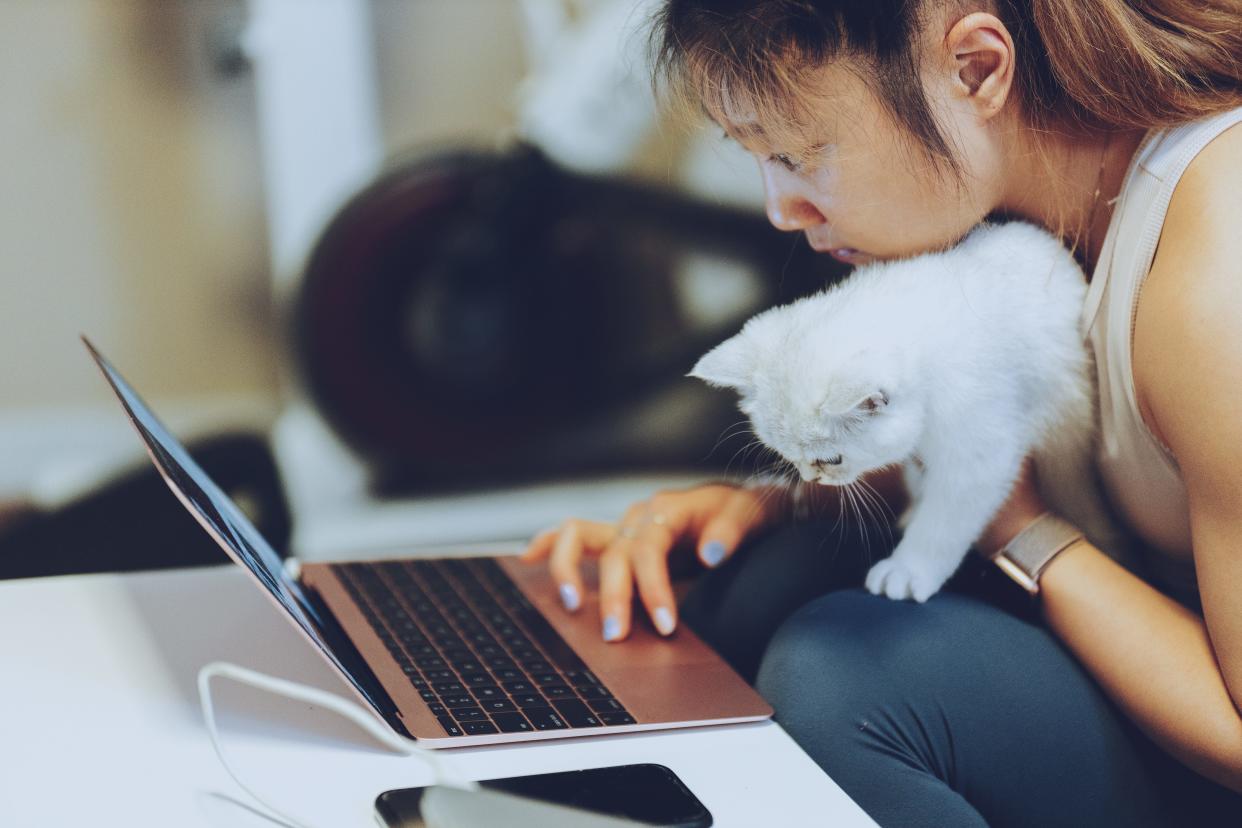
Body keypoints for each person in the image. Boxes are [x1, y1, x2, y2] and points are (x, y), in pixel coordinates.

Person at [520, 1, 1242, 824]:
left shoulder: (1217, 280)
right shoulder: (1004, 203)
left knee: (844, 680)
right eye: (756, 157)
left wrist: (1019, 528)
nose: (782, 210)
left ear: (976, 70)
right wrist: (770, 504)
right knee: (774, 577)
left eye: (799, 154)